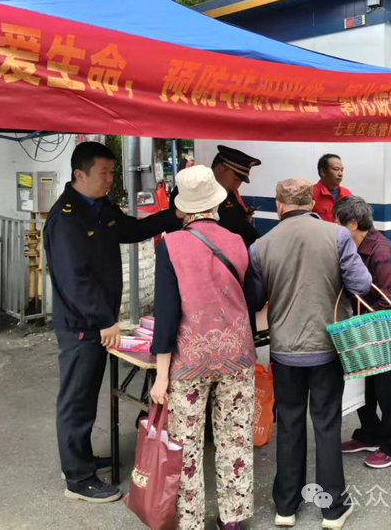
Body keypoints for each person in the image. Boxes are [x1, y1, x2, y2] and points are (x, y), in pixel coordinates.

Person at [44, 142, 174, 503]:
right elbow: (75, 279)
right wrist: (104, 320)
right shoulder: (67, 217)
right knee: (76, 399)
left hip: (96, 320)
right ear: (79, 174)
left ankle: (80, 460)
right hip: (82, 324)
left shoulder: (99, 208)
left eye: (112, 172)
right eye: (103, 173)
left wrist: (174, 215)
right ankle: (78, 479)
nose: (110, 179)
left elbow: (131, 230)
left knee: (86, 396)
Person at [249, 179, 371, 529]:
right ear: (312, 204)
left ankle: (286, 507)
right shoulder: (337, 236)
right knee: (327, 425)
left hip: (284, 351)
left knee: (289, 424)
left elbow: (254, 299)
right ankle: (332, 509)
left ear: (279, 206)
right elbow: (361, 285)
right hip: (327, 348)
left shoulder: (260, 246)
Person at [149, 166, 257, 530]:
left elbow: (166, 313)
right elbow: (251, 299)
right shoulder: (237, 241)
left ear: (184, 208)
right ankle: (232, 519)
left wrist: (160, 376)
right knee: (235, 438)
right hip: (236, 355)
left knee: (187, 446)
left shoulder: (170, 245)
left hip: (189, 359)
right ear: (216, 202)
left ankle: (190, 521)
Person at [334, 196, 391, 469]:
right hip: (369, 334)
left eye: (337, 222)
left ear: (352, 224)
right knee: (365, 388)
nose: (335, 228)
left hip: (387, 336)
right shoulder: (357, 249)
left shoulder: (381, 252)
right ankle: (369, 434)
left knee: (389, 393)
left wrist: (360, 323)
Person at [166, 145, 261, 246]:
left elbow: (242, 226)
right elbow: (175, 232)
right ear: (220, 169)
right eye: (235, 179)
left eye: (240, 182)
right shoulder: (189, 190)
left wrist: (259, 246)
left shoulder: (230, 195)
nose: (237, 186)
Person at [312, 154, 352, 222]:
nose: (340, 174)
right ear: (323, 172)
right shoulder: (311, 193)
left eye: (342, 170)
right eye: (336, 169)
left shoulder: (347, 194)